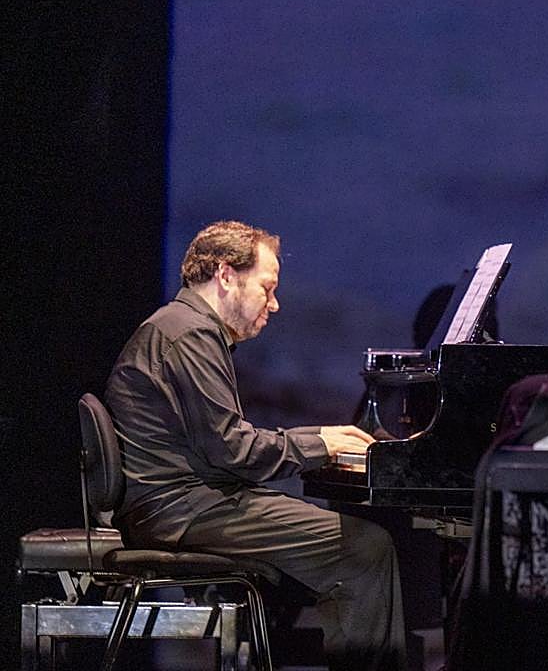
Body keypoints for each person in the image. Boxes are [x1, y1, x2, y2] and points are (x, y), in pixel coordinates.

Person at [105, 220, 406, 670]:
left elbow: (225, 446)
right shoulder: (188, 333)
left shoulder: (183, 328)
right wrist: (321, 443)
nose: (275, 303)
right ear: (226, 276)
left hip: (184, 502)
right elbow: (235, 450)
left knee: (335, 546)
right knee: (366, 549)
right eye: (267, 288)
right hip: (181, 509)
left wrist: (317, 441)